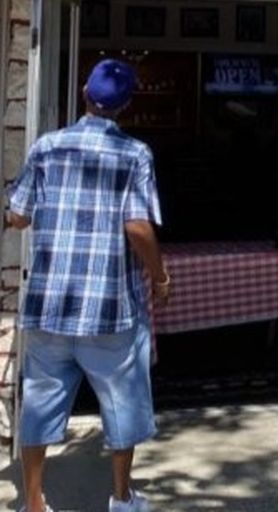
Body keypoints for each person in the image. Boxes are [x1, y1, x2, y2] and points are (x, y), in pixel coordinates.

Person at [5, 59, 169, 512]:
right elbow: (138, 229)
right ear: (127, 106)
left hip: (49, 305)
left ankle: (34, 502)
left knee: (38, 405)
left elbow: (17, 215)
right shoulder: (135, 153)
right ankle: (120, 498)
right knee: (122, 404)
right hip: (109, 310)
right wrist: (160, 277)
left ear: (83, 94)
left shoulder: (46, 147)